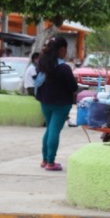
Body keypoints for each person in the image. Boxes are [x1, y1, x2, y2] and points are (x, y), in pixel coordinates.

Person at [34, 37, 78, 172]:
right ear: (62, 49)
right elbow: (73, 87)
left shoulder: (43, 63)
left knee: (49, 129)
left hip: (45, 102)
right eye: (66, 49)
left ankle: (45, 160)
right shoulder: (64, 68)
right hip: (61, 104)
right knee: (54, 130)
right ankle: (51, 162)